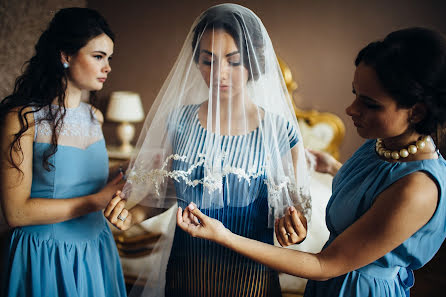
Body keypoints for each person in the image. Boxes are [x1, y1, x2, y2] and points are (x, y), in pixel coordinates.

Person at [177, 27, 446, 297]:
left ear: (417, 112)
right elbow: (375, 201)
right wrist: (333, 167)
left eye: (369, 103)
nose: (351, 109)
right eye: (354, 94)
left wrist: (223, 236)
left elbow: (324, 263)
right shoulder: (382, 144)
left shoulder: (418, 190)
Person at [105, 3, 311, 297]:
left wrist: (295, 229)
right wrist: (133, 217)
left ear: (252, 62)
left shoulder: (280, 131)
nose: (219, 73)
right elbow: (168, 194)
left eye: (233, 61)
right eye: (208, 60)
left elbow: (294, 211)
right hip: (187, 273)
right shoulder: (179, 121)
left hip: (250, 280)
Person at [0, 7, 127, 297]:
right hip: (45, 253)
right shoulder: (22, 119)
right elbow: (16, 212)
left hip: (96, 247)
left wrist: (130, 168)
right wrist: (95, 201)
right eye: (98, 56)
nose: (107, 67)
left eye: (109, 58)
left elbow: (78, 177)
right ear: (66, 56)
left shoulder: (95, 116)